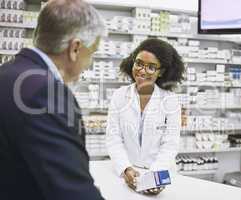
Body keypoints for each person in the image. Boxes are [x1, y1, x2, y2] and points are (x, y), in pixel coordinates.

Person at [0, 0, 107, 199]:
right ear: (75, 48)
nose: (89, 63)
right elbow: (72, 191)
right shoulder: (45, 92)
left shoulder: (7, 72)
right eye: (91, 53)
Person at [106, 38, 185, 195]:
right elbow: (113, 138)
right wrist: (126, 168)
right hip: (129, 171)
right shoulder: (119, 96)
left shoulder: (171, 101)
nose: (142, 70)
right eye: (139, 63)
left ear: (161, 71)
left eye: (151, 67)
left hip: (159, 170)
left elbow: (170, 144)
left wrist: (154, 176)